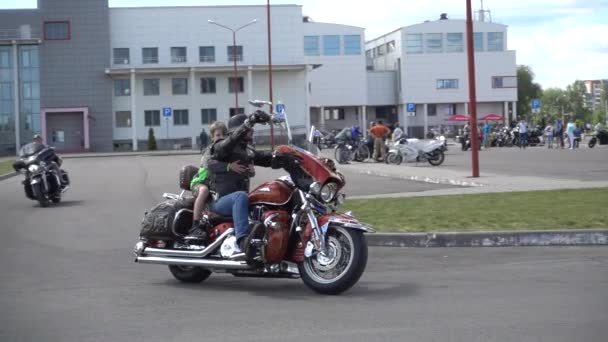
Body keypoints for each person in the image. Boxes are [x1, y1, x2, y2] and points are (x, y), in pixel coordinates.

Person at [198, 111, 300, 253]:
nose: (252, 131)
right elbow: (227, 145)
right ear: (237, 130)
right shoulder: (222, 147)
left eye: (251, 128)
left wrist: (291, 157)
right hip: (220, 202)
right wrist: (249, 122)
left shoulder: (246, 150)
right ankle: (243, 241)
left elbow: (266, 158)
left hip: (240, 200)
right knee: (240, 196)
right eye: (249, 129)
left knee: (270, 195)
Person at [186, 122, 229, 241]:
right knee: (204, 191)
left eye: (224, 135)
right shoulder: (209, 150)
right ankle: (195, 225)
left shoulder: (226, 151)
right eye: (218, 135)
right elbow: (210, 165)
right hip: (200, 183)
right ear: (212, 137)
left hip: (213, 185)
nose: (221, 138)